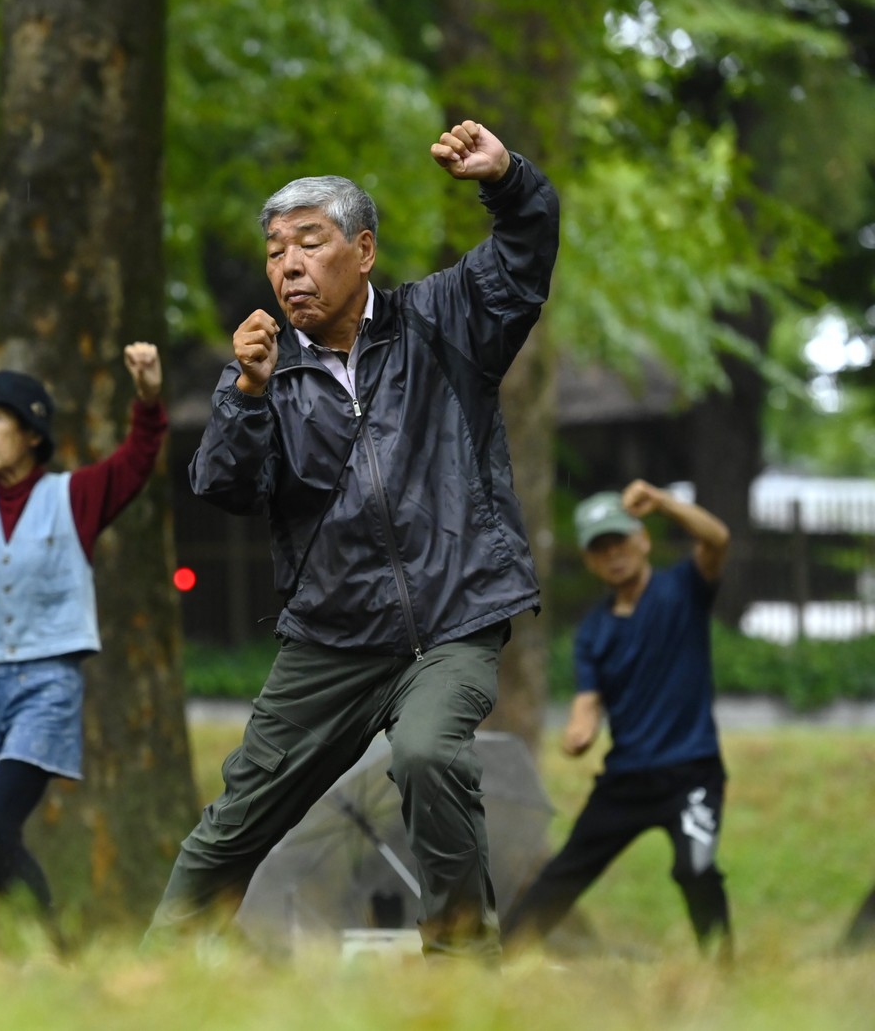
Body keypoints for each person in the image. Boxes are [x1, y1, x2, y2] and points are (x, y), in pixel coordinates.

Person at [145, 120, 560, 960]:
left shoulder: (443, 320)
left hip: (452, 615)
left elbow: (524, 250)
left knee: (427, 753)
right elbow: (226, 486)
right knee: (237, 818)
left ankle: (461, 970)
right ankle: (144, 980)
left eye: (310, 242)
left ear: (363, 251)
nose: (289, 265)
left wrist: (506, 177)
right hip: (333, 636)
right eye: (275, 252)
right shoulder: (262, 372)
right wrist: (247, 395)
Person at [0, 344, 166, 918]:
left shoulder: (72, 497)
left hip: (46, 684)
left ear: (31, 433)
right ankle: (16, 961)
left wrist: (147, 395)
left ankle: (47, 957)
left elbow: (136, 461)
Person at [502, 481, 733, 959]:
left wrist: (665, 502)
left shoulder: (683, 590)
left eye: (621, 541)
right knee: (563, 874)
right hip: (625, 780)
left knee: (696, 868)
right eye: (600, 549)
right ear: (590, 561)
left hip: (692, 773)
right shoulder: (595, 631)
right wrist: (578, 729)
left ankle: (722, 974)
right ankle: (494, 966)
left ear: (643, 539)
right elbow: (589, 699)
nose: (614, 556)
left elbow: (717, 539)